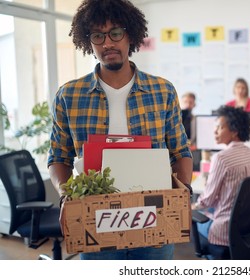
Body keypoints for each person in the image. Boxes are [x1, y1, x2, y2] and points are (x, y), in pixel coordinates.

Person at [47, 0, 193, 260]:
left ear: (130, 36)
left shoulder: (163, 91)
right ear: (88, 42)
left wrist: (183, 194)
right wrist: (66, 198)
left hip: (153, 218)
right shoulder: (69, 95)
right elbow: (58, 157)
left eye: (116, 33)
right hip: (96, 222)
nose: (107, 43)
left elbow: (181, 151)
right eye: (98, 36)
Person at [192, 106, 250, 259]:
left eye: (219, 127)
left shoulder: (221, 158)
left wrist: (193, 206)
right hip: (248, 229)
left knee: (195, 222)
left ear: (234, 131)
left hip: (225, 232)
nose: (214, 131)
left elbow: (207, 200)